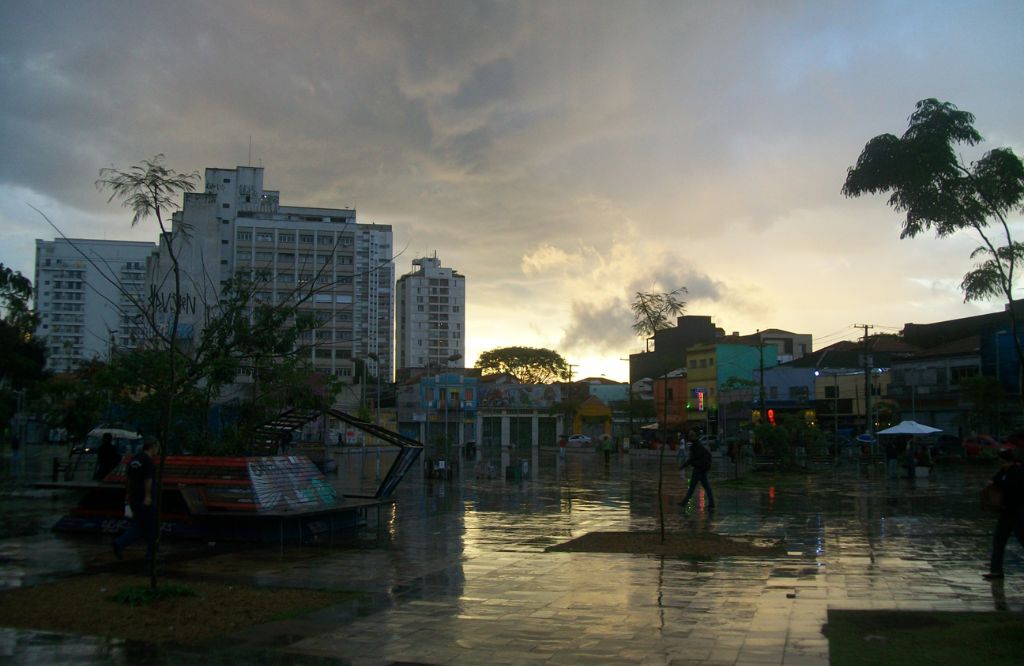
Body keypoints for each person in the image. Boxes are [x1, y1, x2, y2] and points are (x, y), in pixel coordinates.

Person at [113, 440, 159, 563]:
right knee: (152, 526)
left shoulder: (134, 460)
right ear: (153, 447)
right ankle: (150, 554)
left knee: (140, 525)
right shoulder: (148, 461)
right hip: (145, 499)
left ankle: (120, 543)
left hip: (134, 498)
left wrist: (128, 495)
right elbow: (148, 479)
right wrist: (148, 496)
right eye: (157, 448)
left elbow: (128, 479)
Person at [984, 447, 1024, 580]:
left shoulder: (1017, 470)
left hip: (1017, 510)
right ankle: (995, 570)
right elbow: (996, 479)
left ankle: (996, 570)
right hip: (1006, 510)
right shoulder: (1006, 470)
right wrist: (1002, 472)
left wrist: (998, 481)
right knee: (999, 540)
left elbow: (1010, 487)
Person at [679, 437, 715, 510]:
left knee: (692, 487)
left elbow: (690, 460)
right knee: (707, 487)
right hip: (703, 470)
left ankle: (684, 503)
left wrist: (683, 466)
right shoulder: (701, 448)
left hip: (698, 470)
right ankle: (712, 503)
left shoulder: (695, 449)